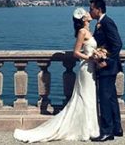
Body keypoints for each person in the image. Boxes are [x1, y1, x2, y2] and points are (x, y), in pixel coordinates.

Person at [13, 7, 100, 143]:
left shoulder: (88, 31)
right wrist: (90, 58)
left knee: (89, 96)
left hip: (91, 69)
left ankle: (90, 127)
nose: (89, 13)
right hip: (86, 68)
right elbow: (76, 52)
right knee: (85, 96)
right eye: (86, 13)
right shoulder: (82, 32)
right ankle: (85, 129)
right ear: (84, 18)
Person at [89, 0, 123, 142]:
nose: (90, 11)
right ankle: (117, 128)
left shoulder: (107, 22)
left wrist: (105, 61)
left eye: (91, 9)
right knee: (111, 98)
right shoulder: (100, 23)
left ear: (99, 9)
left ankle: (107, 131)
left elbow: (117, 44)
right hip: (109, 67)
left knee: (104, 99)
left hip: (107, 68)